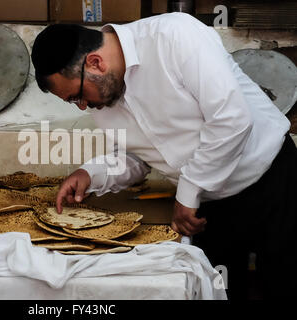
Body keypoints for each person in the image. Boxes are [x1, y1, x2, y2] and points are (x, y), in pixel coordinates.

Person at [30, 12, 296, 300]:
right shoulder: (103, 98)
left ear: (95, 63)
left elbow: (231, 120)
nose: (82, 106)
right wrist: (91, 174)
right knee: (220, 292)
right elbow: (138, 158)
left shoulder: (174, 37)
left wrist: (188, 193)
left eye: (76, 96)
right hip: (208, 210)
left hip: (273, 182)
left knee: (283, 286)